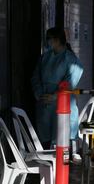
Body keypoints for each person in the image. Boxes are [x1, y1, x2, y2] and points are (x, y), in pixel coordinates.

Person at [31, 27, 83, 162]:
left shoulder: (71, 59)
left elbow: (71, 82)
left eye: (50, 38)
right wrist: (39, 93)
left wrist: (55, 96)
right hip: (44, 102)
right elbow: (35, 77)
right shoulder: (45, 57)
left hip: (62, 103)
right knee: (45, 139)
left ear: (58, 40)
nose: (48, 42)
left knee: (62, 140)